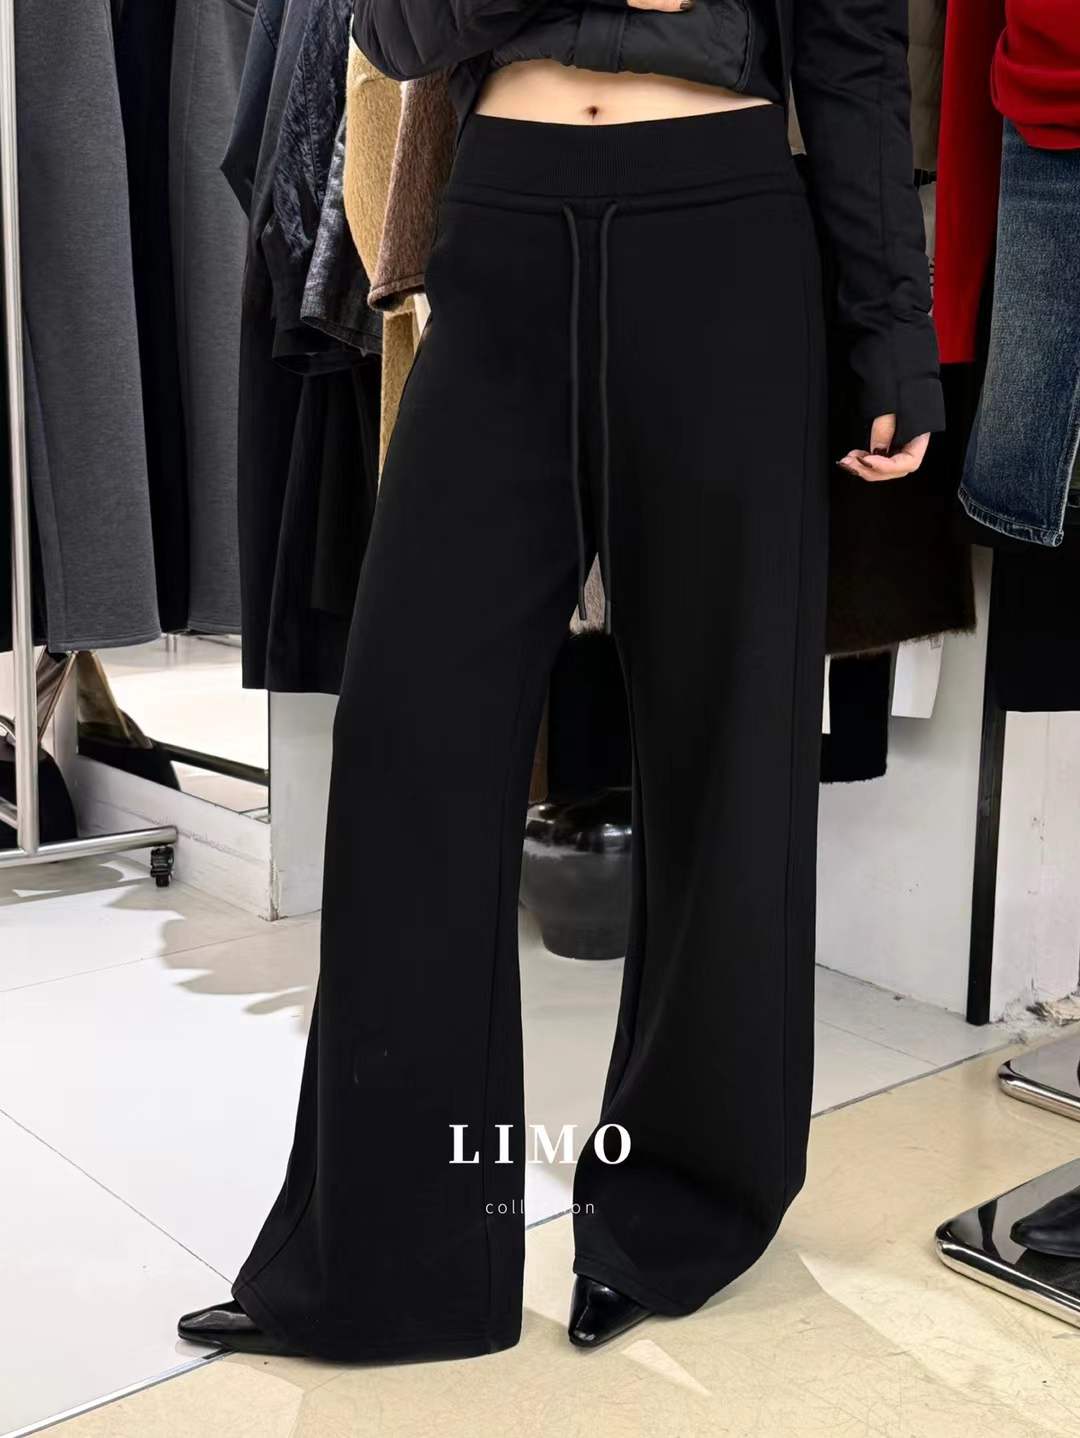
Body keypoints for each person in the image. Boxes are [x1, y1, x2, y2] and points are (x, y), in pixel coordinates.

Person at [180, 0, 942, 1362]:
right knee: (412, 746)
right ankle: (390, 1259)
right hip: (506, 238)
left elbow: (852, 50)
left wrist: (892, 325)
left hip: (725, 235)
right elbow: (397, 32)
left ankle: (680, 1210)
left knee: (727, 747)